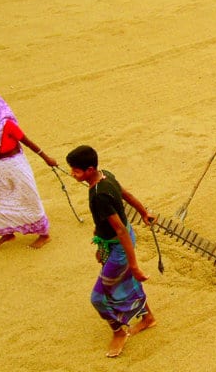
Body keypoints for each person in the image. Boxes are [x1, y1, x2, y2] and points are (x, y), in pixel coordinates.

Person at [65, 145, 157, 358]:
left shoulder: (99, 196)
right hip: (112, 243)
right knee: (126, 283)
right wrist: (144, 212)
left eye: (76, 170)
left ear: (89, 170)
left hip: (120, 246)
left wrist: (133, 265)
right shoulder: (106, 175)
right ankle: (148, 318)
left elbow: (120, 230)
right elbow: (126, 195)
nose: (72, 174)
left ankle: (118, 331)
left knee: (98, 298)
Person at [0, 86, 57, 248]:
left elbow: (27, 142)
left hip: (17, 166)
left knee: (29, 198)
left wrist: (47, 159)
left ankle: (44, 234)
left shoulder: (6, 124)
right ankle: (7, 232)